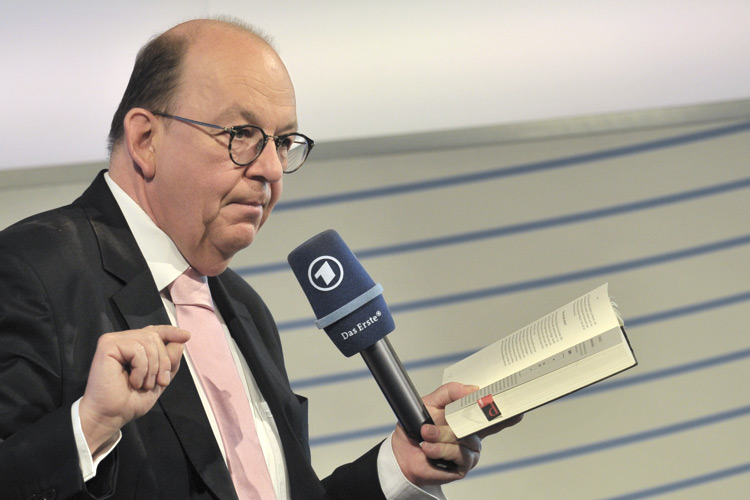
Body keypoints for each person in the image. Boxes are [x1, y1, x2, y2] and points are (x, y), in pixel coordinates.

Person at [0, 18, 520, 500]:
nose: (271, 168)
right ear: (145, 139)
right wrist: (89, 425)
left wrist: (398, 465)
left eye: (284, 141)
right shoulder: (31, 271)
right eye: (241, 136)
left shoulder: (244, 308)